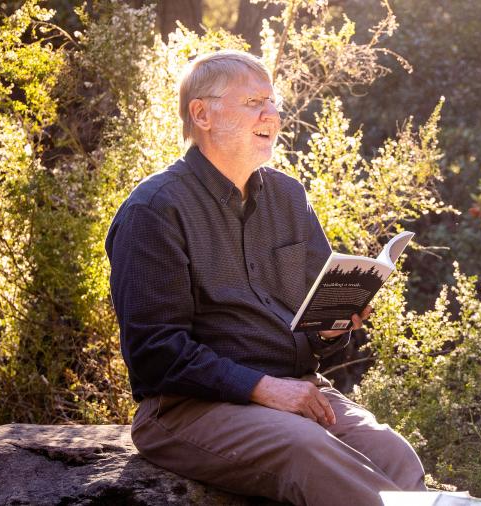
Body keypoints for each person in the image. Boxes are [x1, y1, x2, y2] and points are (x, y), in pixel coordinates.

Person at [105, 49, 426, 506]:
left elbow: (312, 331)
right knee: (309, 449)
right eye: (255, 101)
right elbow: (154, 354)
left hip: (296, 389)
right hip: (186, 409)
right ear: (203, 114)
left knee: (394, 453)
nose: (272, 114)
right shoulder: (155, 210)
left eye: (273, 102)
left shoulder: (288, 197)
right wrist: (265, 390)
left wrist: (335, 324)